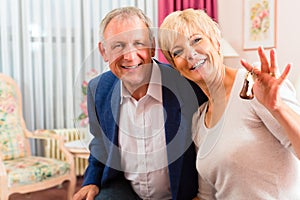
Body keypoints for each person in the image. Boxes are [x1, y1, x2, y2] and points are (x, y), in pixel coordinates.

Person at [158, 8, 300, 199]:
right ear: (177, 68)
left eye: (196, 40)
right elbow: (207, 195)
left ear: (216, 43)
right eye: (178, 52)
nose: (190, 54)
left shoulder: (255, 84)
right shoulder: (199, 120)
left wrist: (277, 107)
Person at [73, 7, 207, 200]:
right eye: (118, 45)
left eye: (138, 43)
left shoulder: (187, 85)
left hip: (181, 194)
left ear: (152, 46)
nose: (130, 56)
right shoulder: (98, 89)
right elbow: (100, 142)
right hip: (125, 190)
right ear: (104, 51)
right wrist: (91, 180)